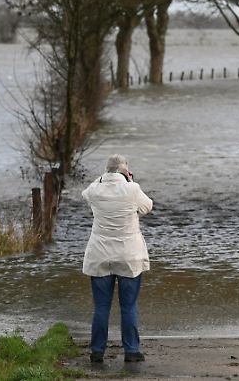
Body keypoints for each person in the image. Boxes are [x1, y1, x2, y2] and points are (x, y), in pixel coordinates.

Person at [82, 154, 153, 363]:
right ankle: (131, 351)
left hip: (100, 255)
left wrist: (103, 177)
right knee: (128, 306)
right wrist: (129, 180)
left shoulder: (95, 189)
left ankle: (97, 351)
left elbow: (85, 193)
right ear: (125, 170)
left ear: (106, 171)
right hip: (128, 256)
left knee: (101, 307)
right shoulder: (132, 189)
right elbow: (147, 206)